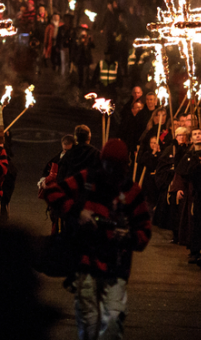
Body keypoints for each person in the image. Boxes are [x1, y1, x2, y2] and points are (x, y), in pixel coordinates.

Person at [44, 139, 151, 340]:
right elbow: (52, 192)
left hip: (116, 266)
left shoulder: (131, 191)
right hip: (86, 262)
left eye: (115, 166)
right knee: (89, 322)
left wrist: (128, 236)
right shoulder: (88, 180)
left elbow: (144, 232)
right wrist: (78, 211)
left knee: (112, 322)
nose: (110, 171)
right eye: (107, 164)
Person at [171, 129, 201, 268]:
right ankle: (195, 250)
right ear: (191, 139)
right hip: (194, 192)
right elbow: (184, 172)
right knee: (195, 221)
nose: (197, 136)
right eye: (194, 134)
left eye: (200, 134)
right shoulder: (189, 155)